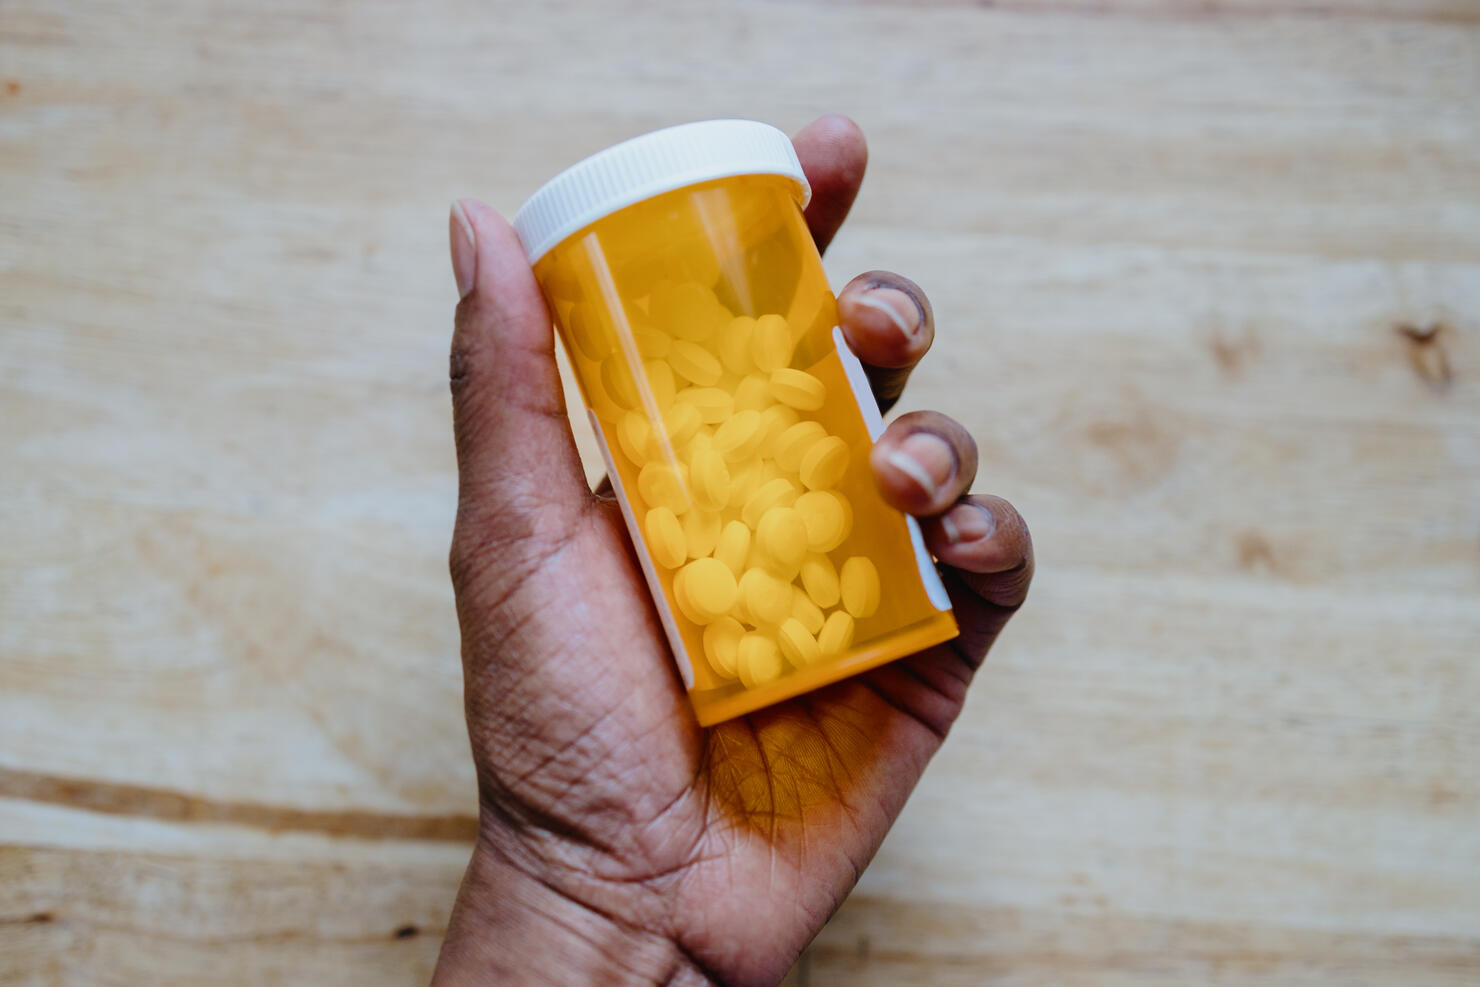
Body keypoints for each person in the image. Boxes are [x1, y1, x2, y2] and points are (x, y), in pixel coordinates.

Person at [433, 116, 1034, 986]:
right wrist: (583, 890)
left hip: (791, 671)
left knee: (826, 406)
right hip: (719, 725)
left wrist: (590, 905)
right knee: (812, 407)